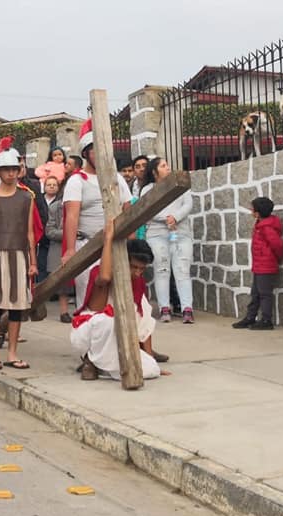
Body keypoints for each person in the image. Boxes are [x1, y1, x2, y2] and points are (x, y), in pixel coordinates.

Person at [72, 216, 164, 381]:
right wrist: (108, 240)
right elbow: (105, 278)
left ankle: (103, 367)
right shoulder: (98, 273)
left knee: (152, 370)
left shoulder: (138, 282)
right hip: (91, 333)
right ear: (122, 260)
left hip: (120, 343)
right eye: (134, 267)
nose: (138, 273)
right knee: (107, 321)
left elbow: (144, 321)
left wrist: (150, 358)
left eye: (142, 269)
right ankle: (90, 361)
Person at [0, 139, 37, 371]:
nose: (11, 173)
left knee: (16, 306)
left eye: (14, 169)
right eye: (6, 169)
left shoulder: (27, 196)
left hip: (19, 255)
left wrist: (33, 261)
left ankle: (12, 352)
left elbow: (30, 232)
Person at [62, 119, 133, 307]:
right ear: (86, 154)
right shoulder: (77, 181)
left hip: (116, 244)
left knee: (118, 299)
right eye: (95, 151)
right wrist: (70, 250)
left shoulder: (117, 178)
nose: (100, 155)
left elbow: (128, 210)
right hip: (87, 245)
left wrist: (132, 244)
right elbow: (72, 216)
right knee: (88, 297)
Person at [140, 157, 195, 323]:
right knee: (162, 270)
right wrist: (167, 219)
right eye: (163, 166)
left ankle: (187, 309)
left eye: (167, 165)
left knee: (182, 270)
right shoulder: (147, 189)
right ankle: (164, 308)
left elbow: (188, 204)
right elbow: (147, 208)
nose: (168, 168)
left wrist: (176, 217)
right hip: (157, 234)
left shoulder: (179, 184)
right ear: (154, 172)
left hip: (180, 232)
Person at [233, 197, 283, 330]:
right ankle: (250, 317)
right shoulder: (260, 225)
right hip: (259, 265)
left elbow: (277, 245)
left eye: (252, 209)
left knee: (264, 294)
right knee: (255, 293)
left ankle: (266, 320)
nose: (251, 210)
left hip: (266, 266)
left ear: (258, 213)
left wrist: (275, 259)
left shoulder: (267, 227)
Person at [43, 176, 73, 323]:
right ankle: (64, 312)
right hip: (59, 247)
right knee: (62, 283)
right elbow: (49, 231)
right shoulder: (55, 207)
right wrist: (69, 233)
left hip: (83, 244)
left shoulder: (86, 207)